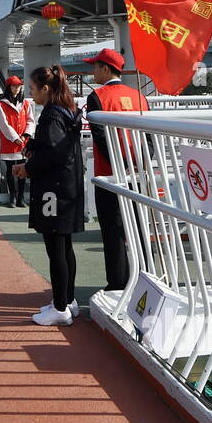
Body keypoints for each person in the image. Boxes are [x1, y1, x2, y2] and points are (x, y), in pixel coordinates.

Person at [14, 65, 86, 326]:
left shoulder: (51, 115)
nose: (31, 94)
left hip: (53, 191)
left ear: (46, 88)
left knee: (55, 248)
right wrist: (35, 147)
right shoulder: (67, 109)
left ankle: (59, 308)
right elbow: (56, 148)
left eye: (33, 89)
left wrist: (27, 168)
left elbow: (53, 154)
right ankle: (67, 300)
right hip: (67, 186)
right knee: (64, 247)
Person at [82, 47, 149, 296]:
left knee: (113, 229)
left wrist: (119, 163)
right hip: (138, 172)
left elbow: (99, 137)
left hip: (109, 174)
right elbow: (148, 135)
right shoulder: (139, 97)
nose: (93, 71)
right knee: (139, 227)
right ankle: (144, 277)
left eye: (95, 67)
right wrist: (140, 162)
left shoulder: (97, 97)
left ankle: (118, 283)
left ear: (105, 68)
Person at [0, 75, 35, 208]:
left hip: (23, 141)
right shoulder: (2, 104)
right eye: (14, 86)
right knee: (9, 170)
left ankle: (20, 198)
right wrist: (15, 138)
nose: (17, 89)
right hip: (9, 142)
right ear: (8, 87)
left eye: (19, 86)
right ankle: (12, 197)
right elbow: (3, 124)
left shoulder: (25, 103)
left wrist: (25, 135)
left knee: (22, 168)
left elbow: (31, 120)